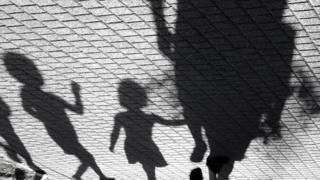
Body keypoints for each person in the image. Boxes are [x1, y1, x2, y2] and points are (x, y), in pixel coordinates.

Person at [4, 52, 114, 180]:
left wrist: (75, 93)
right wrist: (76, 94)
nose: (38, 75)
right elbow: (78, 110)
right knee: (87, 156)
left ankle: (80, 176)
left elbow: (78, 111)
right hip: (61, 133)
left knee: (85, 157)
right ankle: (98, 177)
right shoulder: (32, 94)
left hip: (65, 132)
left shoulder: (49, 97)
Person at [109, 79, 185, 180]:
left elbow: (169, 123)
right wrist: (112, 144)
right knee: (149, 168)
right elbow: (115, 132)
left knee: (149, 168)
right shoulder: (125, 117)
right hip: (138, 145)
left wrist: (112, 145)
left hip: (140, 145)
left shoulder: (126, 117)